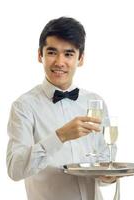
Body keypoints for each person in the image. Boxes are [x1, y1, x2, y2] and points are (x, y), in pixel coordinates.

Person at [6, 16, 117, 200]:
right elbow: (15, 169)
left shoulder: (95, 102)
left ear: (80, 58)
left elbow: (104, 164)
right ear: (39, 55)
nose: (59, 62)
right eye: (51, 52)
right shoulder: (23, 106)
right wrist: (60, 137)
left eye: (68, 54)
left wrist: (108, 176)